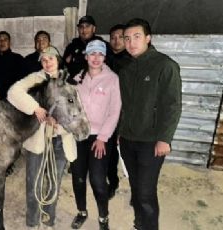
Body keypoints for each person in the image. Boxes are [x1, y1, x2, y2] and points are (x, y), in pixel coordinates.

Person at [119, 18, 182, 230]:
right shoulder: (126, 69)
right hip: (128, 140)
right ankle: (140, 224)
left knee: (146, 192)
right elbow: (124, 105)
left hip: (151, 141)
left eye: (136, 37)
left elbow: (172, 105)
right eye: (127, 38)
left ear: (148, 38)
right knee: (136, 187)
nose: (131, 42)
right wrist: (121, 132)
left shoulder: (165, 65)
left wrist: (165, 138)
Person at [7, 46, 73, 230]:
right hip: (37, 137)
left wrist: (59, 124)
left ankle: (49, 219)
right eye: (43, 60)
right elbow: (13, 92)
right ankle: (32, 221)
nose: (47, 63)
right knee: (33, 181)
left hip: (59, 138)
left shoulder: (69, 81)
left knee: (54, 181)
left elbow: (76, 109)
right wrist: (35, 108)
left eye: (50, 58)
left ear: (57, 60)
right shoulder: (35, 78)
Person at [69, 40, 121, 230]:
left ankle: (103, 217)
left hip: (101, 137)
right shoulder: (77, 79)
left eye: (100, 54)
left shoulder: (112, 79)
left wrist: (102, 138)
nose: (96, 58)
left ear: (105, 57)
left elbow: (115, 111)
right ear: (86, 57)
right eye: (92, 54)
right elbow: (70, 107)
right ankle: (82, 212)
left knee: (98, 179)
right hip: (79, 135)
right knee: (78, 176)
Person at [106, 24, 132, 199]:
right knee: (110, 152)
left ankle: (137, 190)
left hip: (126, 114)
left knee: (129, 152)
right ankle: (112, 182)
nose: (116, 41)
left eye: (120, 37)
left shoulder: (132, 61)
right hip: (105, 113)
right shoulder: (104, 59)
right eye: (113, 37)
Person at [0, 31, 28, 100]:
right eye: (0, 40)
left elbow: (24, 80)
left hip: (14, 98)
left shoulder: (18, 59)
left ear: (9, 43)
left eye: (5, 39)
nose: (2, 42)